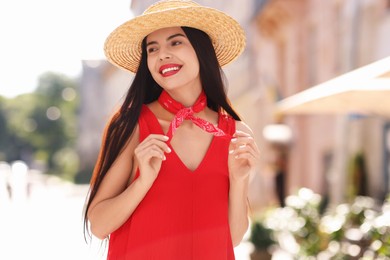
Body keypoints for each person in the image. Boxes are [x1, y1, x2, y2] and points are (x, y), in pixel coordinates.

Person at [83, 0, 260, 259]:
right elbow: (98, 226)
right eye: (152, 49)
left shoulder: (235, 133)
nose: (162, 54)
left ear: (202, 51)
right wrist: (143, 181)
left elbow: (232, 239)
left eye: (175, 42)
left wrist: (239, 180)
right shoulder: (132, 124)